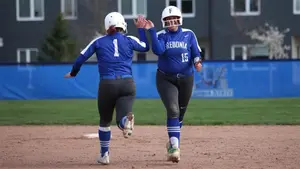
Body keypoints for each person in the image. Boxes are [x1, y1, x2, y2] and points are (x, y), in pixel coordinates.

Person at [64, 12, 149, 165]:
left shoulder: (99, 41)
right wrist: (141, 30)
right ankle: (125, 122)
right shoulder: (129, 40)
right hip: (127, 83)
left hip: (107, 84)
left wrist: (73, 72)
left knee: (105, 121)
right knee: (120, 119)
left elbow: (81, 57)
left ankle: (104, 155)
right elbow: (145, 47)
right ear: (122, 24)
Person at [143, 6, 202, 163]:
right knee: (173, 109)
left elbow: (196, 52)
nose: (171, 22)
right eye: (168, 20)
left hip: (186, 78)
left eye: (174, 19)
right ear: (164, 22)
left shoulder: (189, 34)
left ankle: (172, 141)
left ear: (179, 19)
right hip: (166, 78)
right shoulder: (162, 35)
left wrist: (197, 62)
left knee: (180, 113)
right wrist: (151, 31)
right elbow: (157, 50)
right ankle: (175, 147)